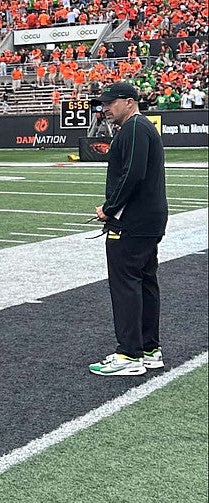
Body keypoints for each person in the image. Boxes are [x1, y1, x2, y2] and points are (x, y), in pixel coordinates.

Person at [89, 81, 168, 376]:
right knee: (145, 282)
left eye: (111, 103)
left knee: (125, 285)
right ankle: (149, 349)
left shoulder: (134, 128)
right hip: (148, 219)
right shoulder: (142, 127)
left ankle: (130, 355)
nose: (105, 108)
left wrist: (109, 209)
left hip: (132, 222)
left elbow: (132, 174)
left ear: (130, 102)